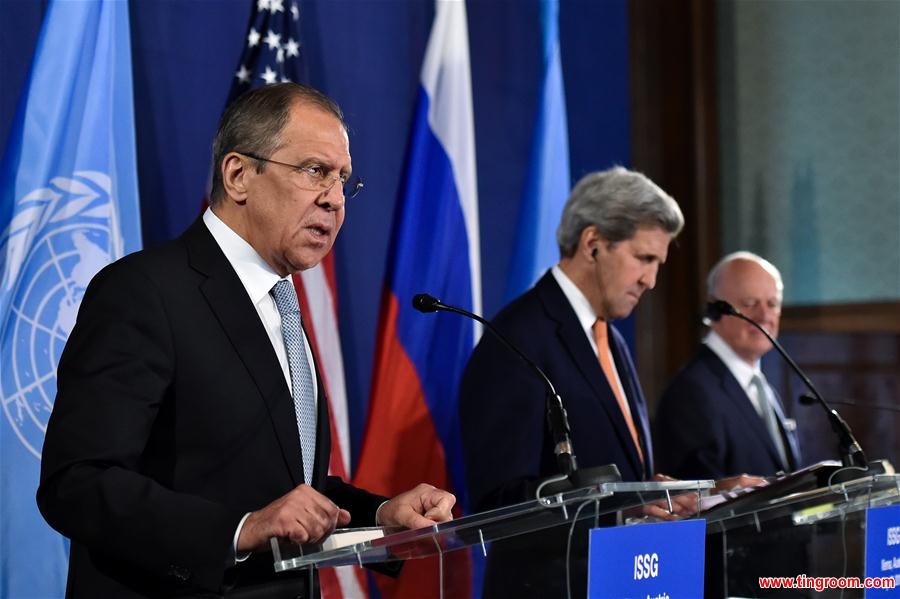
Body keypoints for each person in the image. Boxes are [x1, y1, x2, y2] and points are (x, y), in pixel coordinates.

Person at [37, 83, 455, 599]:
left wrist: (380, 513)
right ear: (238, 175)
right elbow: (76, 484)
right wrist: (239, 530)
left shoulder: (280, 303)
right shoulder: (145, 291)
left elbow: (282, 483)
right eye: (314, 171)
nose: (335, 198)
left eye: (344, 179)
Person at [459, 167, 688, 598]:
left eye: (658, 263)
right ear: (593, 244)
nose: (651, 280)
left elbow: (616, 468)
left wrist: (656, 494)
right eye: (644, 258)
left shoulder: (610, 338)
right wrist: (625, 505)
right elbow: (499, 505)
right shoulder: (517, 340)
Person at [654, 251, 802, 480]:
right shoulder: (692, 392)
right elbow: (697, 497)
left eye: (772, 304)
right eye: (750, 303)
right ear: (715, 309)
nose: (764, 316)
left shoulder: (762, 386)